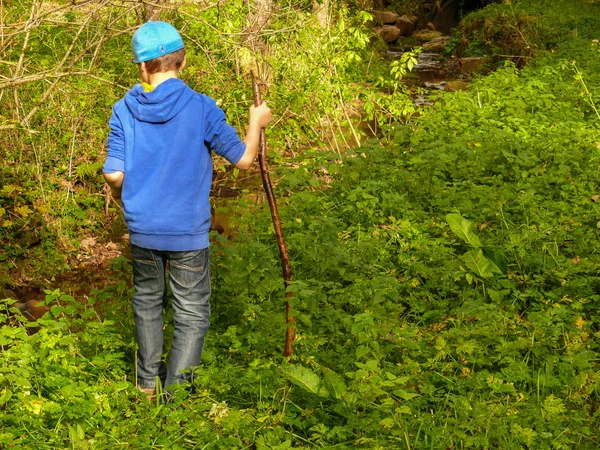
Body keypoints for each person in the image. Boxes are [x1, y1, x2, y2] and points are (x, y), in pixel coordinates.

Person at [102, 21, 272, 398]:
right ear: (182, 60)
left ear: (143, 67)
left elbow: (114, 173)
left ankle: (146, 384)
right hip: (188, 232)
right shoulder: (201, 107)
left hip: (143, 228)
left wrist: (128, 194)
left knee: (147, 301)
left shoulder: (123, 109)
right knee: (191, 310)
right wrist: (255, 122)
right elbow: (243, 160)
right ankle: (177, 395)